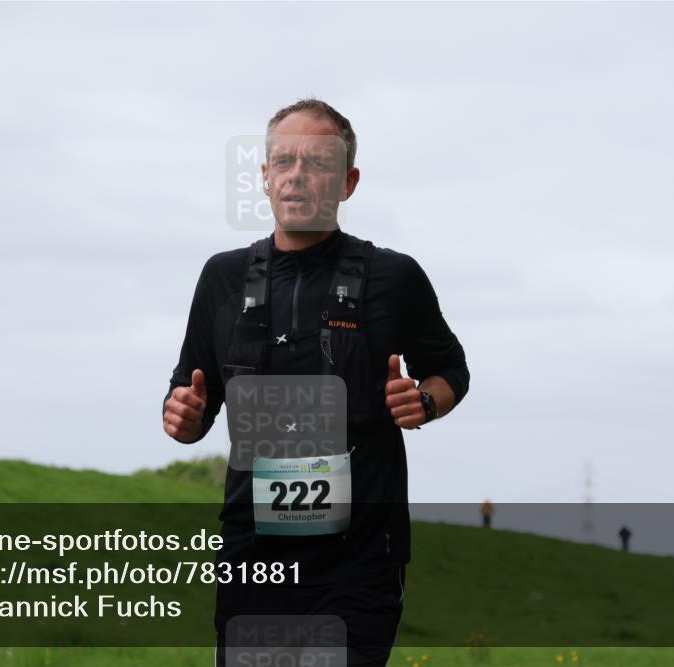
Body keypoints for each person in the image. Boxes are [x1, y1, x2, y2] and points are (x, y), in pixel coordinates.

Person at [162, 99, 471, 666]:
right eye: (283, 160)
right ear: (264, 176)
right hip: (253, 553)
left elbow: (452, 371)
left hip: (360, 556)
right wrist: (180, 415)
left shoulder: (394, 277)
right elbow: (189, 401)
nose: (297, 175)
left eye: (318, 162)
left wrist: (423, 401)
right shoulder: (222, 278)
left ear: (348, 182)